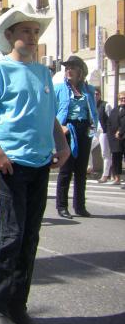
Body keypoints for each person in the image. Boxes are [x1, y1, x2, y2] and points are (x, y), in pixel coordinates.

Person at [0, 3, 70, 324]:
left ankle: (16, 305)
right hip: (10, 164)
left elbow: (50, 114)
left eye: (36, 31)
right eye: (26, 30)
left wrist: (63, 143)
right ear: (9, 35)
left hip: (40, 164)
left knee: (29, 239)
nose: (32, 36)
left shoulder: (43, 74)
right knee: (10, 238)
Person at [54, 55, 97, 219]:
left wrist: (93, 127)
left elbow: (92, 111)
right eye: (67, 68)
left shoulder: (88, 90)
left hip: (85, 129)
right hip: (68, 129)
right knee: (66, 170)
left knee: (81, 170)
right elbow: (52, 111)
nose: (69, 71)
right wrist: (60, 127)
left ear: (80, 71)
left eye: (72, 68)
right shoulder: (59, 89)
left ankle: (80, 206)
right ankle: (62, 206)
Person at [90, 88, 113, 182]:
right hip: (94, 130)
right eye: (94, 94)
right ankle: (89, 167)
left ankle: (105, 174)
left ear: (100, 95)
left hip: (103, 131)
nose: (95, 96)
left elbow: (111, 119)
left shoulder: (105, 105)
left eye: (97, 94)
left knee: (105, 153)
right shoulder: (90, 106)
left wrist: (109, 132)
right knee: (87, 147)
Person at [107, 92, 125, 185]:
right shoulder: (114, 110)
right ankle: (117, 178)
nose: (123, 99)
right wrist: (111, 136)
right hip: (115, 139)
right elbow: (109, 123)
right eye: (121, 98)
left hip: (123, 137)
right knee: (116, 159)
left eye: (124, 98)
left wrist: (121, 131)